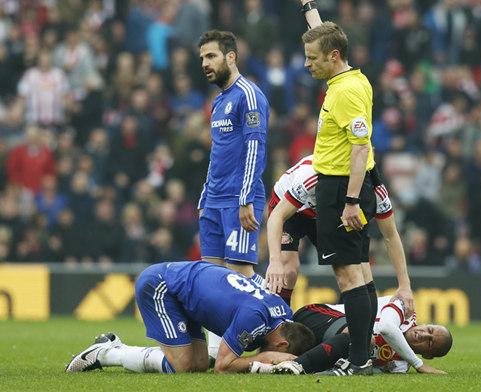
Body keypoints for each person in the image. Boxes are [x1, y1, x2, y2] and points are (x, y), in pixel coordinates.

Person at [297, 0, 378, 375]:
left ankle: (358, 359)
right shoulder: (349, 76)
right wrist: (310, 6)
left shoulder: (344, 92)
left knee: (348, 275)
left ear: (332, 57)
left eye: (313, 58)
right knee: (361, 272)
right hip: (350, 185)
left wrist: (348, 200)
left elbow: (361, 147)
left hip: (341, 187)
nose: (307, 64)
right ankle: (365, 355)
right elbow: (325, 38)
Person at [65, 261, 314, 374]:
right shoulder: (255, 318)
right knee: (183, 366)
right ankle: (107, 352)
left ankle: (111, 350)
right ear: (282, 344)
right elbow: (223, 368)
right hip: (162, 286)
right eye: (282, 355)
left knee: (197, 364)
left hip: (189, 287)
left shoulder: (282, 312)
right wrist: (265, 357)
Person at [264, 155, 413, 315]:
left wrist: (405, 286)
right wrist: (274, 261)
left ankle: (353, 327)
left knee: (355, 272)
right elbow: (277, 216)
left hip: (324, 213)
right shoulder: (312, 176)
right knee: (289, 270)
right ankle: (279, 322)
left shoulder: (376, 192)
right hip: (289, 207)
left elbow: (390, 235)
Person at [196, 30, 269, 281]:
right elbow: (218, 152)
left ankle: (276, 308)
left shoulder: (249, 95)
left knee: (240, 276)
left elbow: (255, 147)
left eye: (211, 56)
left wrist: (245, 198)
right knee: (213, 282)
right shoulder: (217, 102)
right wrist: (205, 198)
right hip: (214, 200)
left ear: (231, 57)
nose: (205, 63)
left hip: (239, 199)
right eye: (203, 58)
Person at [259, 295, 451, 375]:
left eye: (430, 342)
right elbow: (385, 328)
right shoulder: (405, 310)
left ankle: (263, 366)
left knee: (280, 354)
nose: (424, 334)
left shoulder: (400, 366)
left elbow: (363, 367)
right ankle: (298, 366)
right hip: (315, 315)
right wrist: (419, 365)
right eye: (430, 330)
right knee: (361, 337)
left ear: (428, 353)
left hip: (325, 346)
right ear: (427, 323)